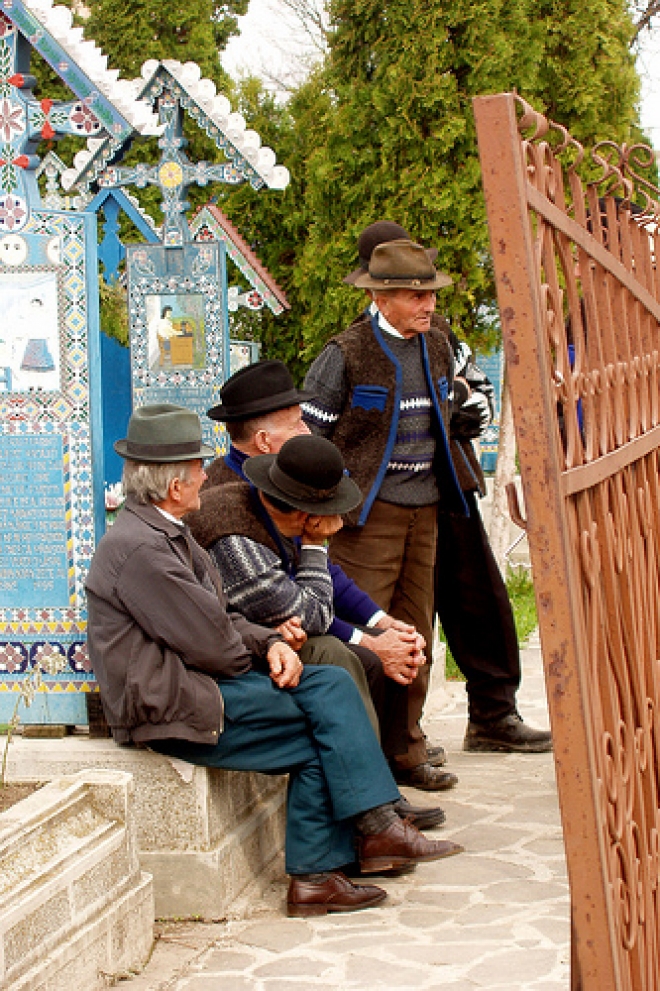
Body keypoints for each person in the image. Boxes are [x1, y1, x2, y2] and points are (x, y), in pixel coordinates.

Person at [85, 404, 463, 918]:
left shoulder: (165, 533)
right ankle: (359, 841)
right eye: (197, 465)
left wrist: (270, 643)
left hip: (197, 686)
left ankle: (333, 865)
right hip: (168, 706)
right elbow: (214, 644)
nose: (206, 472)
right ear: (174, 486)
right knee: (324, 715)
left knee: (326, 704)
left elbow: (218, 622)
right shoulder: (142, 550)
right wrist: (266, 644)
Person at [339, 221, 552, 756]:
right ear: (375, 288)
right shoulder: (357, 347)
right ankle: (397, 740)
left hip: (447, 481)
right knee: (393, 613)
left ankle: (493, 712)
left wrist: (470, 404)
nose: (424, 298)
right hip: (384, 501)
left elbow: (470, 387)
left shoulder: (440, 337)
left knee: (479, 596)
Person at [187, 434, 446, 824]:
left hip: (277, 628)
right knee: (351, 661)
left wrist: (383, 624)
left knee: (386, 662)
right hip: (240, 645)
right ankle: (370, 812)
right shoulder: (236, 537)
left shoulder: (274, 514)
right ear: (306, 514)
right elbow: (312, 614)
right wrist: (315, 545)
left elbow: (323, 591)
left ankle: (385, 790)